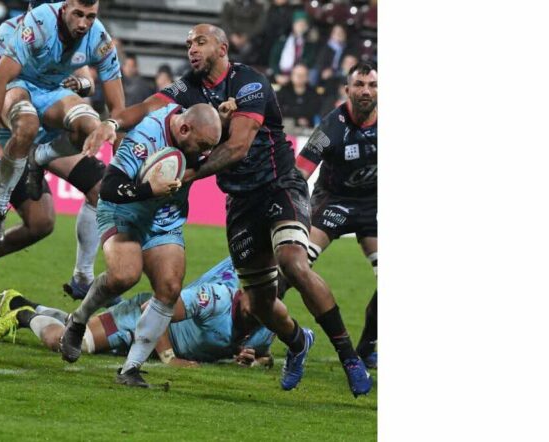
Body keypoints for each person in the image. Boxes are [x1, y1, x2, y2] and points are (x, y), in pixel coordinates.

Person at [80, 24, 371, 397]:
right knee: (259, 304)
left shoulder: (249, 83)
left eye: (199, 42)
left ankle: (349, 357)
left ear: (222, 46)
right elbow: (150, 106)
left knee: (294, 263)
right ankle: (298, 341)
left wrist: (187, 175)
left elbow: (236, 147)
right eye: (188, 44)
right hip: (239, 203)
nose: (192, 49)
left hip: (278, 186)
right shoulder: (190, 87)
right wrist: (111, 122)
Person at [0, 4, 116, 304]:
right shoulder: (11, 37)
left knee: (73, 203)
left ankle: (82, 276)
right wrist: (3, 134)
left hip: (44, 137)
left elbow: (88, 80)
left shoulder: (68, 34)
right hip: (5, 136)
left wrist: (79, 83)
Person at [59, 103, 222, 388]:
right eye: (203, 145)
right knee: (124, 275)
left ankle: (131, 368)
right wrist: (149, 189)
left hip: (163, 218)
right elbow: (108, 187)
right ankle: (79, 319)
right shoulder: (145, 137)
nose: (205, 153)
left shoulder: (195, 127)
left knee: (170, 288)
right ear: (184, 129)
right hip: (123, 212)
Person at [0, 0, 125, 249]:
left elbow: (118, 109)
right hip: (18, 86)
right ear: (64, 7)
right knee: (27, 125)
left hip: (51, 91)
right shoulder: (35, 25)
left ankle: (40, 158)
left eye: (90, 16)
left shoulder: (99, 37)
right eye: (78, 14)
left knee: (92, 126)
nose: (83, 24)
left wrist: (121, 161)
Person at [0, 257, 277, 371]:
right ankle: (20, 311)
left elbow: (265, 354)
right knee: (68, 342)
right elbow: (154, 309)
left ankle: (35, 305)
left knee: (77, 327)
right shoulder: (215, 298)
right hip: (136, 321)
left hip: (149, 344)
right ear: (243, 290)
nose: (261, 305)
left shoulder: (269, 324)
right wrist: (170, 358)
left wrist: (254, 359)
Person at [295, 62, 378, 369]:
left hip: (373, 206)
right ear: (347, 90)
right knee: (293, 267)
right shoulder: (332, 126)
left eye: (372, 85)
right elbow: (299, 171)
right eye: (359, 85)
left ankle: (367, 348)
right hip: (333, 203)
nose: (366, 91)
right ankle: (253, 338)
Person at [276, 63, 323, 128]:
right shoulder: (283, 91)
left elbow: (314, 110)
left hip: (307, 128)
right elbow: (278, 110)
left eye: (303, 75)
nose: (300, 78)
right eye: (297, 75)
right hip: (285, 127)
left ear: (307, 77)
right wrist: (296, 119)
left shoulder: (313, 93)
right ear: (291, 76)